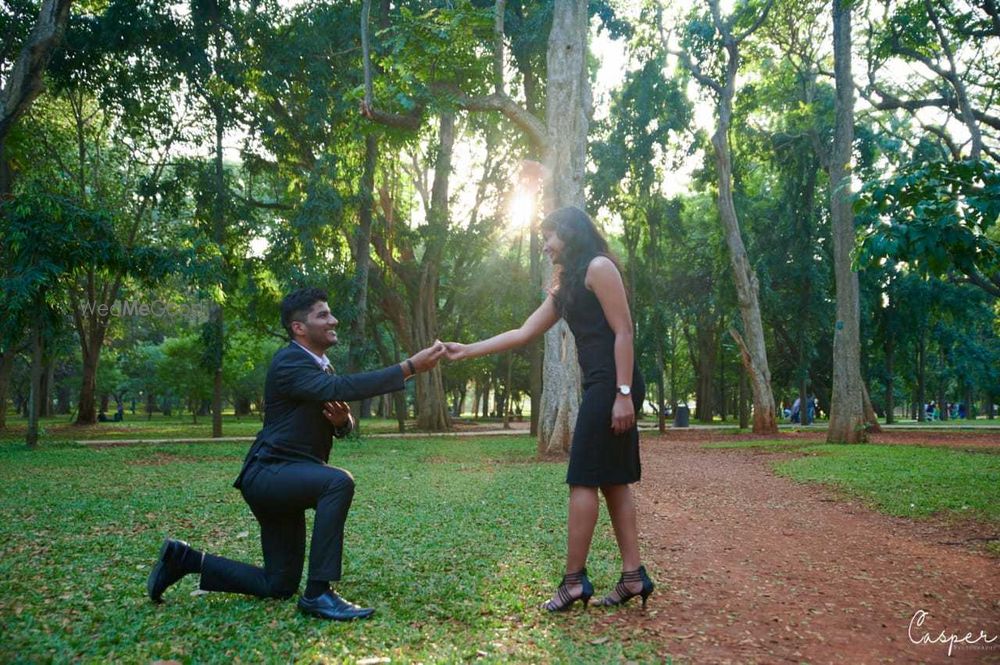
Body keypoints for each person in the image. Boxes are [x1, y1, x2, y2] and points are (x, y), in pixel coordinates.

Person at [146, 287, 446, 621]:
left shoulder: (319, 368)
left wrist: (343, 422)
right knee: (337, 483)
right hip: (270, 473)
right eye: (322, 315)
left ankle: (184, 559)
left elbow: (326, 411)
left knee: (279, 584)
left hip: (288, 477)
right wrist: (409, 367)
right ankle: (318, 594)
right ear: (298, 327)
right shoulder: (290, 360)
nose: (333, 320)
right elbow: (339, 389)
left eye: (330, 313)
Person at [444, 165, 653, 612]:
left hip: (612, 383)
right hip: (601, 383)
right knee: (613, 480)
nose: (545, 244)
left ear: (571, 235)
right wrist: (467, 350)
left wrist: (622, 394)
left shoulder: (599, 267)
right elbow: (523, 333)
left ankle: (574, 581)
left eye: (550, 235)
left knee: (582, 478)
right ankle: (633, 576)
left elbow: (625, 332)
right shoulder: (568, 286)